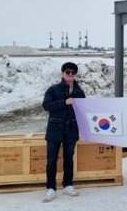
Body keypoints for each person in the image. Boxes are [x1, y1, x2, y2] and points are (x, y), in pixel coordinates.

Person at [41, 61, 85, 202]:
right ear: (62, 73)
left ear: (76, 74)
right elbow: (46, 105)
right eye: (67, 72)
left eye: (73, 72)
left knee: (68, 159)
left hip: (71, 130)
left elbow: (84, 109)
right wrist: (64, 102)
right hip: (55, 130)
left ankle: (68, 185)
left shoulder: (79, 91)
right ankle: (51, 188)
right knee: (51, 160)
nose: (70, 75)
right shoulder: (53, 90)